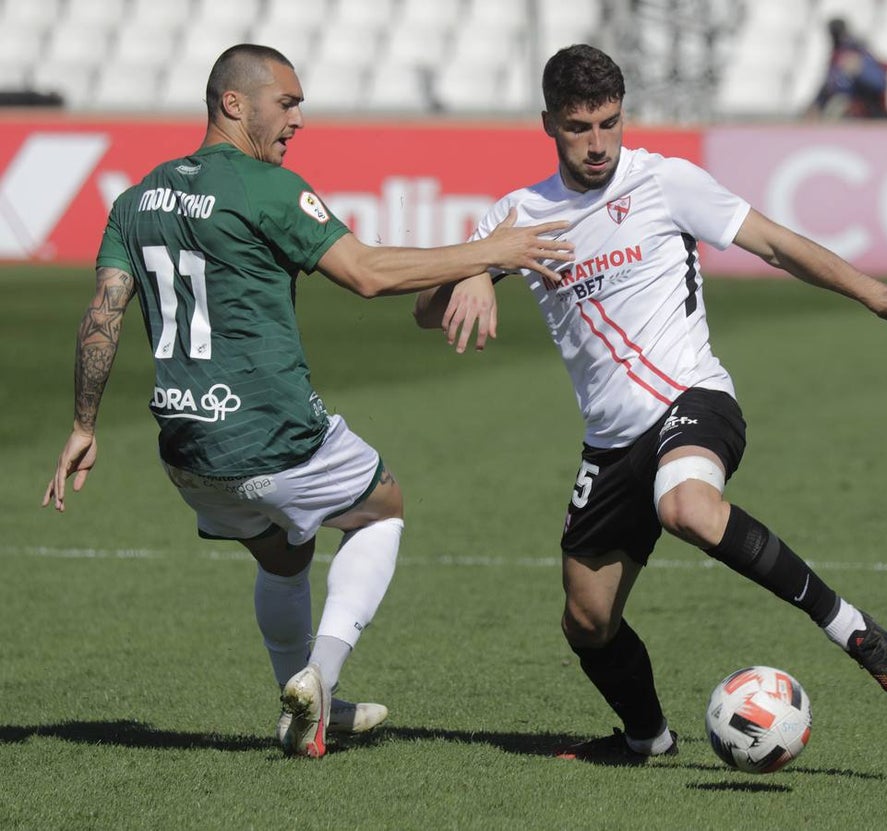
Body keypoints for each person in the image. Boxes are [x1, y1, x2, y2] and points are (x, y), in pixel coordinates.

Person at [42, 43, 573, 759]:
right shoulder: (265, 189)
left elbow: (103, 314)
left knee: (286, 558)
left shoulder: (137, 199)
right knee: (383, 508)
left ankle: (302, 702)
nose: (298, 119)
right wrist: (488, 252)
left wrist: (83, 423)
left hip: (188, 452)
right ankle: (320, 676)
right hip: (272, 432)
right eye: (286, 103)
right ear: (235, 103)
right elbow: (367, 272)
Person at [414, 44, 887, 763]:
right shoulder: (519, 215)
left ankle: (853, 629)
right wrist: (472, 266)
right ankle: (647, 737)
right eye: (578, 127)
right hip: (610, 442)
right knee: (587, 620)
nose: (597, 144)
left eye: (609, 123)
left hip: (694, 399)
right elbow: (424, 311)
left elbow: (775, 244)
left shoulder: (665, 181)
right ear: (548, 125)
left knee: (685, 506)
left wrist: (874, 293)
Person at [806, 17, 887, 120]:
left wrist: (860, 71)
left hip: (867, 113)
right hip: (846, 110)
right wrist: (816, 104)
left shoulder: (859, 53)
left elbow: (879, 84)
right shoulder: (837, 56)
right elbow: (829, 85)